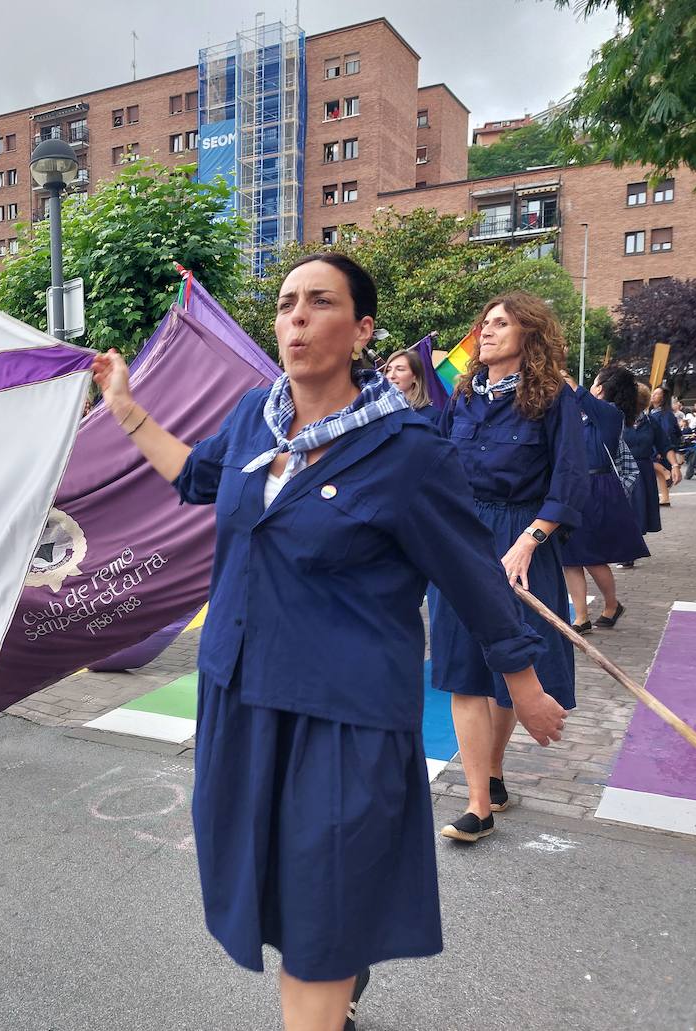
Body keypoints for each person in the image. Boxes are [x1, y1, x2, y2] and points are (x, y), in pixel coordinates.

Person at [93, 253, 565, 1031]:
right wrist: (126, 408)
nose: (297, 318)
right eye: (285, 304)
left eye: (319, 302)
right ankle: (340, 965)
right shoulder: (254, 415)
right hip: (241, 699)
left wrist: (523, 682)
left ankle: (329, 979)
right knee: (284, 887)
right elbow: (194, 477)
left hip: (343, 718)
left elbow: (472, 575)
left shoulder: (408, 448)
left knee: (318, 907)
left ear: (362, 329)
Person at [429, 291, 586, 844]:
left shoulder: (554, 399)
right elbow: (440, 467)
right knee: (462, 670)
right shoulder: (463, 394)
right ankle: (478, 801)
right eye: (485, 323)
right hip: (461, 541)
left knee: (509, 670)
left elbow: (569, 482)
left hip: (524, 540)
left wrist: (528, 542)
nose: (487, 331)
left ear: (530, 336)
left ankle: (494, 771)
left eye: (501, 323)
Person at [560, 368, 648, 633]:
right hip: (574, 486)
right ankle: (582, 616)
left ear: (602, 387)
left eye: (596, 381)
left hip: (597, 487)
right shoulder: (584, 414)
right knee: (570, 556)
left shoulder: (611, 414)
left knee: (592, 555)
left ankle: (612, 604)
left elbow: (579, 395)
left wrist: (569, 382)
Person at [623, 382, 674, 538]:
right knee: (626, 510)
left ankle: (631, 549)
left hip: (644, 471)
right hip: (623, 469)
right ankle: (628, 549)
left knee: (639, 511)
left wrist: (676, 465)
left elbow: (665, 445)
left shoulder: (651, 422)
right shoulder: (619, 420)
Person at [382, 349, 441, 424]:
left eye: (400, 369)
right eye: (388, 370)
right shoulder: (379, 415)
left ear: (415, 377)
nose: (391, 375)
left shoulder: (433, 416)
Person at [649, 387, 682, 504]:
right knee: (659, 475)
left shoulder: (665, 414)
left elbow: (666, 431)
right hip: (656, 444)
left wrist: (660, 449)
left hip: (659, 445)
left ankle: (666, 472)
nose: (653, 395)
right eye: (653, 393)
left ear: (663, 398)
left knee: (648, 461)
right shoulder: (653, 412)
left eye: (657, 394)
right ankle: (665, 498)